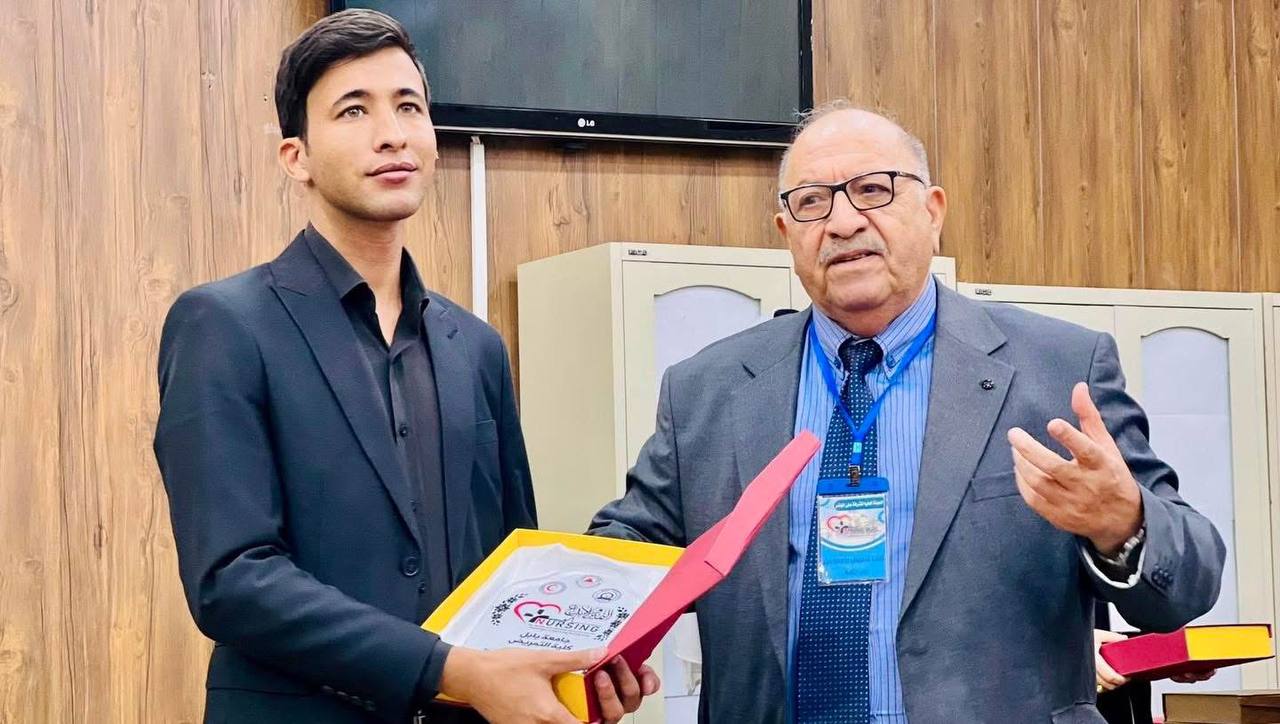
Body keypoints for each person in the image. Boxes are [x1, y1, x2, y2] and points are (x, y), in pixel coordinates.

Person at [587, 102, 1225, 723]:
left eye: (873, 189)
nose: (842, 222)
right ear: (786, 233)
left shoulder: (1059, 369)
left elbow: (1187, 585)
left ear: (933, 210)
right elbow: (628, 549)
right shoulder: (708, 390)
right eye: (811, 202)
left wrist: (1123, 524)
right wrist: (566, 625)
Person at [154, 10, 654, 723]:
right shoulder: (225, 324)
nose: (391, 133)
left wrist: (572, 666)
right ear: (295, 157)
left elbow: (514, 572)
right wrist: (451, 670)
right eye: (353, 110)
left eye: (409, 107)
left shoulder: (476, 347)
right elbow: (232, 580)